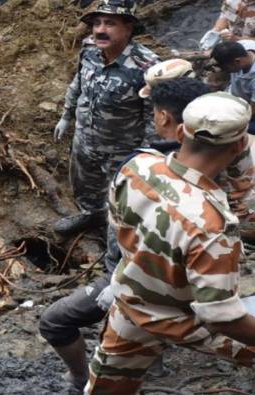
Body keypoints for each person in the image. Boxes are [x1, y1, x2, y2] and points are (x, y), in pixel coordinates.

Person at [40, 63, 208, 389]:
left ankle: (84, 378)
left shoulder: (153, 171)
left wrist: (119, 282)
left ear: (163, 117)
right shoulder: (217, 155)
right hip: (185, 278)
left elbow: (154, 242)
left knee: (55, 322)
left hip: (143, 281)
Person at [85, 92, 255, 394]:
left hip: (133, 301)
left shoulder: (136, 165)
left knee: (106, 389)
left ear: (179, 132)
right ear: (241, 145)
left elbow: (119, 225)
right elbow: (221, 316)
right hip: (184, 318)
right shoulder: (212, 225)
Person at [53, 0, 159, 235]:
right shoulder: (90, 49)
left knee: (125, 203)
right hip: (84, 139)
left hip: (122, 151)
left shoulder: (147, 66)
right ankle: (91, 216)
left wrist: (147, 156)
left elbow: (155, 118)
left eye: (110, 23)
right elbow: (78, 82)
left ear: (129, 27)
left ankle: (119, 245)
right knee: (84, 185)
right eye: (97, 23)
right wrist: (66, 115)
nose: (100, 29)